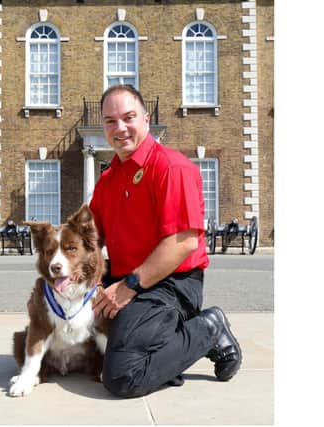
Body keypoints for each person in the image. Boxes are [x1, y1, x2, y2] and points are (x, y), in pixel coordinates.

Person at [89, 84, 242, 398]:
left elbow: (183, 242)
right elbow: (90, 237)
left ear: (146, 118)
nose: (120, 128)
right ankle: (158, 347)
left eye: (128, 117)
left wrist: (128, 287)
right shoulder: (108, 180)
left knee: (122, 376)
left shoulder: (171, 168)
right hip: (127, 276)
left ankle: (209, 328)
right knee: (78, 320)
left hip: (172, 282)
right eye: (110, 121)